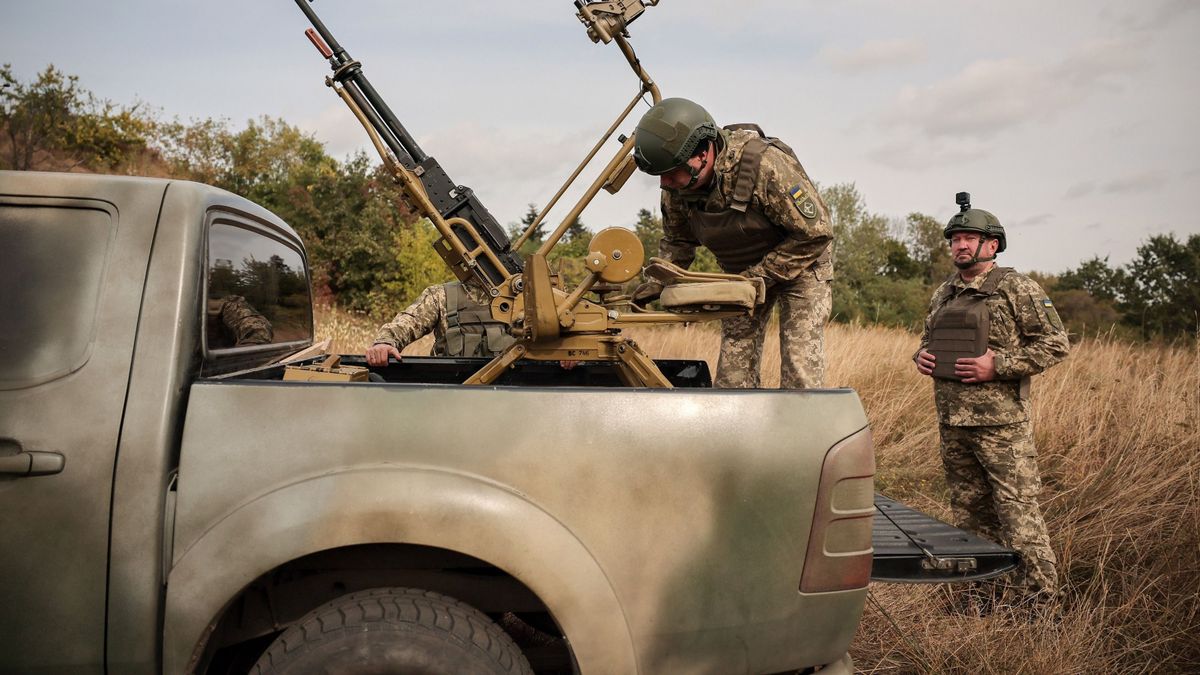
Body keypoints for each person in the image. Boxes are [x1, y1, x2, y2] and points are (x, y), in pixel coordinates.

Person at [914, 193, 1070, 606]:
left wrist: (997, 365)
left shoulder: (1018, 288)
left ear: (993, 244)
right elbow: (927, 341)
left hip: (1001, 428)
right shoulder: (943, 294)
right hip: (953, 424)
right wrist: (921, 356)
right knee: (970, 518)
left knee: (1019, 517)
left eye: (969, 238)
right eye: (955, 239)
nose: (960, 245)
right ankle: (983, 597)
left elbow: (1056, 344)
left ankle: (1041, 605)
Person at [629, 98, 833, 389]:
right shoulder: (676, 187)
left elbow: (816, 233)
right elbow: (678, 241)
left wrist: (757, 277)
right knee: (732, 379)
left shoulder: (765, 166)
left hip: (801, 267)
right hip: (740, 276)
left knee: (800, 372)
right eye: (660, 176)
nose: (665, 183)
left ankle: (804, 420)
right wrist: (657, 281)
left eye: (671, 173)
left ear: (702, 154)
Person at [366, 279, 515, 365]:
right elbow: (409, 322)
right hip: (449, 392)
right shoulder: (442, 295)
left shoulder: (522, 299)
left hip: (509, 396)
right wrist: (385, 342)